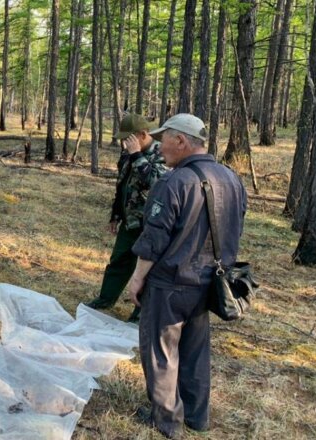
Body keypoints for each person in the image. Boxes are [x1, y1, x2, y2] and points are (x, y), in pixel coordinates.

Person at [126, 114, 247, 439]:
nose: (158, 145)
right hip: (209, 284)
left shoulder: (173, 182)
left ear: (180, 141)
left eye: (162, 138)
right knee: (195, 351)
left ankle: (167, 421)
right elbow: (236, 225)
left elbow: (154, 239)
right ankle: (197, 416)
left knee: (161, 353)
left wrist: (137, 279)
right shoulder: (231, 179)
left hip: (170, 284)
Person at [85, 114, 167, 322]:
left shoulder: (162, 153)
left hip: (151, 223)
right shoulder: (128, 153)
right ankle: (106, 298)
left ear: (143, 134)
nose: (125, 142)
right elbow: (122, 185)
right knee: (119, 260)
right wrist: (116, 214)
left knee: (148, 268)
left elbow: (154, 182)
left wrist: (137, 155)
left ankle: (140, 312)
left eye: (129, 138)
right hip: (130, 220)